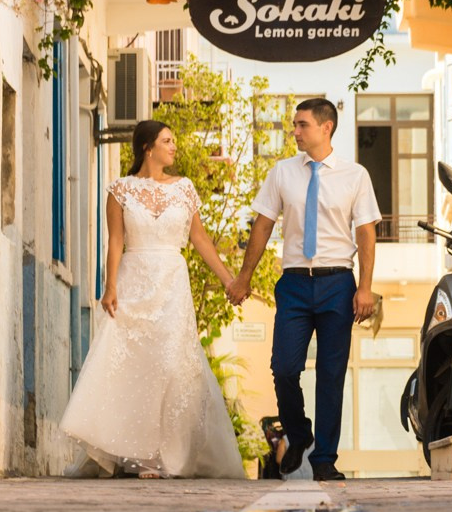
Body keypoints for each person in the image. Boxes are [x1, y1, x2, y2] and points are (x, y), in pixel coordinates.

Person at [60, 120, 244, 480]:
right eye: (167, 140)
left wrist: (228, 280)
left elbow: (200, 240)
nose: (174, 147)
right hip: (134, 281)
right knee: (135, 366)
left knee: (170, 365)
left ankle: (164, 455)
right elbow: (115, 242)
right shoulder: (120, 190)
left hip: (172, 283)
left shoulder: (185, 188)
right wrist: (110, 286)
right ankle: (137, 455)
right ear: (148, 147)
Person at [227, 99, 380, 482]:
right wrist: (244, 277)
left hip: (337, 283)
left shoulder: (355, 175)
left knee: (331, 374)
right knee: (283, 368)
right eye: (294, 124)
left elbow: (365, 232)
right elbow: (263, 225)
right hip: (294, 283)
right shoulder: (282, 172)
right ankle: (299, 435)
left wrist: (365, 288)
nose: (294, 131)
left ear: (326, 128)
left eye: (302, 125)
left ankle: (324, 459)